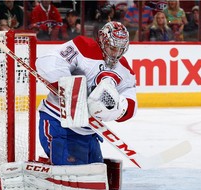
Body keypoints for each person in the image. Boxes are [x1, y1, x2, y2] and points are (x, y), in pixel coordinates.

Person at [36, 21, 137, 166]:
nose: (116, 53)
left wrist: (119, 109)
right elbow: (48, 62)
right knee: (72, 174)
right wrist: (71, 91)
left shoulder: (124, 69)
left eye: (120, 49)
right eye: (112, 47)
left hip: (88, 132)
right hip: (58, 124)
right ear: (102, 40)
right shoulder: (83, 46)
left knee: (94, 175)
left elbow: (130, 98)